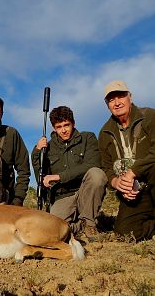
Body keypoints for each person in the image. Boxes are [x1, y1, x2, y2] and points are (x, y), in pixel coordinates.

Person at [32, 106, 107, 241]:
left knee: (97, 174)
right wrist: (37, 151)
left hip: (85, 192)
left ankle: (89, 224)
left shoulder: (88, 137)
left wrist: (59, 176)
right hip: (64, 196)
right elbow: (41, 176)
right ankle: (79, 225)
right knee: (53, 229)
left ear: (73, 123)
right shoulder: (47, 147)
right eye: (59, 127)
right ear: (54, 128)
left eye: (67, 125)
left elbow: (92, 164)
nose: (64, 130)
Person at [99, 80, 155, 241]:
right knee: (124, 234)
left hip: (153, 181)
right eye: (111, 100)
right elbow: (106, 167)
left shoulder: (149, 116)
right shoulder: (105, 133)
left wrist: (132, 172)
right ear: (107, 105)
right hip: (135, 193)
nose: (117, 103)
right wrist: (116, 182)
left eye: (121, 96)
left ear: (129, 97)